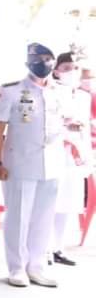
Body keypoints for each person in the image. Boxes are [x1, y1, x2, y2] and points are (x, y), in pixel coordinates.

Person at [0, 43, 65, 288]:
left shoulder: (60, 92)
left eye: (48, 58)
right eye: (38, 59)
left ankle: (36, 267)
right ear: (28, 62)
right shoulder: (10, 91)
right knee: (18, 217)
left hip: (51, 164)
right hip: (20, 163)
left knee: (43, 218)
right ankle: (17, 267)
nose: (44, 63)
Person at [49, 52, 91, 266]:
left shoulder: (83, 96)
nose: (71, 72)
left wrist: (86, 156)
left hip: (75, 155)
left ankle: (59, 248)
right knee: (51, 202)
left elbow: (85, 127)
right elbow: (47, 122)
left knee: (68, 202)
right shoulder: (51, 91)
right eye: (66, 68)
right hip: (56, 150)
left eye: (75, 68)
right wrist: (65, 127)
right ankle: (45, 248)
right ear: (56, 71)